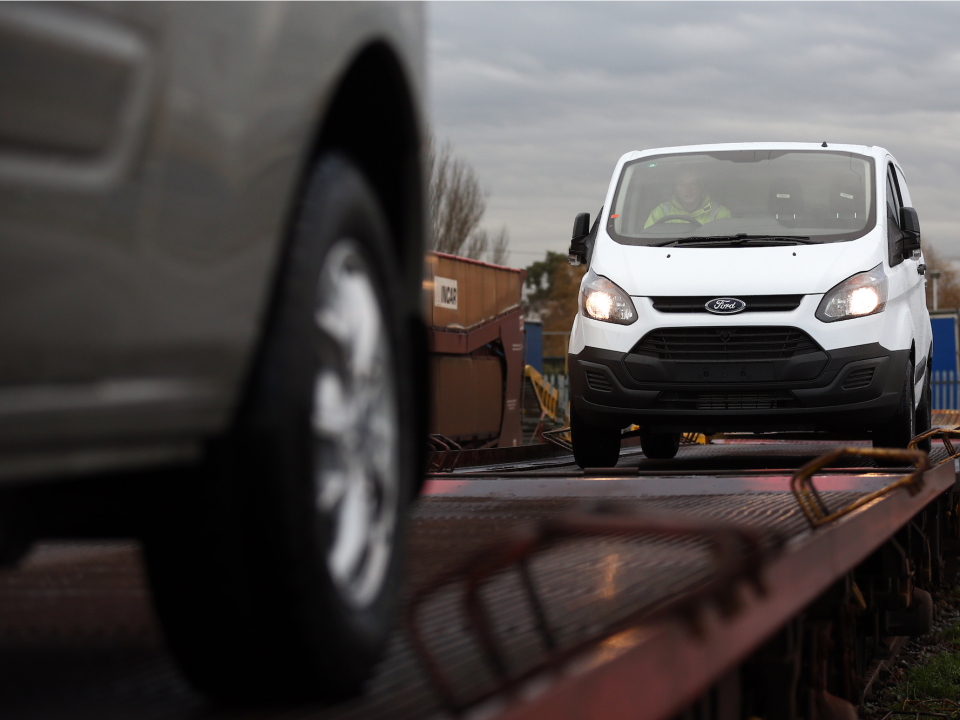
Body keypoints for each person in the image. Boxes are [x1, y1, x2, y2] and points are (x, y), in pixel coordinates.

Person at [645, 169, 730, 228]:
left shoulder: (719, 213)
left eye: (693, 183)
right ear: (675, 187)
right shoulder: (661, 212)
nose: (688, 190)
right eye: (682, 185)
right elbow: (647, 243)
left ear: (701, 186)